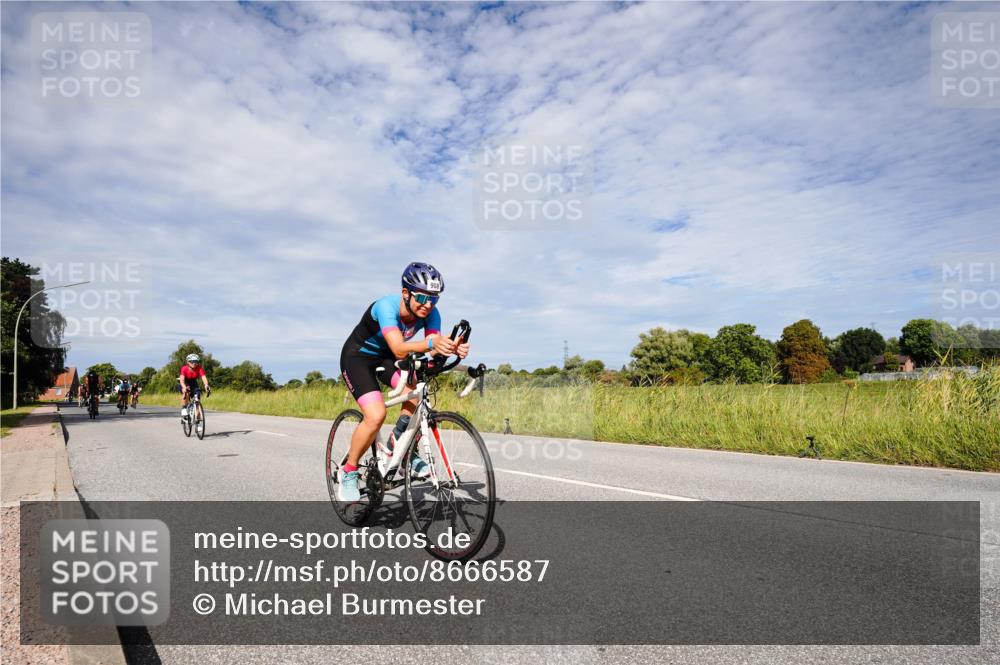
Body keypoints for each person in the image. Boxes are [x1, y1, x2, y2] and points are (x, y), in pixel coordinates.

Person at [337, 262, 469, 502]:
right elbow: (399, 348)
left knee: (417, 392)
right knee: (376, 415)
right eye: (422, 297)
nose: (428, 305)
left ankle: (402, 446)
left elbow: (433, 349)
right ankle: (349, 470)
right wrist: (434, 343)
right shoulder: (386, 307)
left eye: (434, 299)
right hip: (358, 357)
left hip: (388, 358)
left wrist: (451, 347)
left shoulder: (432, 314)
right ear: (406, 293)